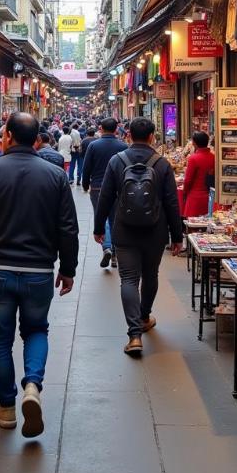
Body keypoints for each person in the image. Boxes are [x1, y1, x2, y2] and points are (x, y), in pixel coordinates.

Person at [0, 113, 78, 438]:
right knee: (36, 330)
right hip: (39, 270)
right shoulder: (55, 175)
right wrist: (68, 269)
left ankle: (7, 406)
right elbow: (68, 227)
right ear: (38, 139)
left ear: (8, 136)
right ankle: (32, 385)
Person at [94, 117, 183, 355]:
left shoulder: (117, 161)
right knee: (150, 274)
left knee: (129, 279)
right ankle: (144, 317)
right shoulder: (162, 163)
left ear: (129, 135)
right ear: (152, 136)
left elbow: (105, 197)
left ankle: (134, 336)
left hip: (124, 229)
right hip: (155, 231)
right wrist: (177, 235)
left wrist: (99, 227)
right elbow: (172, 203)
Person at [82, 117, 127, 269]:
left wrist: (85, 184)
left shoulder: (94, 145)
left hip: (97, 188)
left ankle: (106, 247)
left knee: (101, 216)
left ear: (100, 128)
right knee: (115, 219)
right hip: (118, 188)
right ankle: (114, 253)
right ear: (116, 129)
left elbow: (86, 167)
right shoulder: (123, 146)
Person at [182, 131, 215, 218]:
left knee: (193, 227)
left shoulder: (193, 158)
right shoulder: (213, 157)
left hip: (195, 198)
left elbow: (188, 180)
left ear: (194, 143)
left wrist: (185, 192)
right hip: (210, 197)